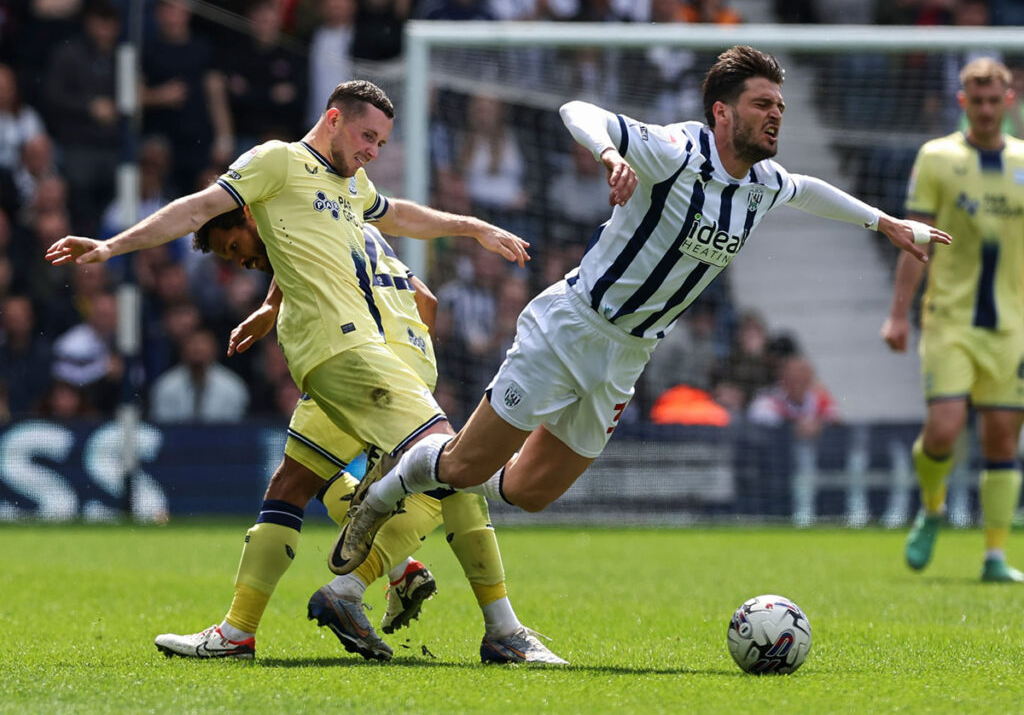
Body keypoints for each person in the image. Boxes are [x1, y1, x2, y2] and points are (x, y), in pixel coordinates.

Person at [339, 45, 952, 575]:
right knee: (470, 464)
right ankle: (382, 493)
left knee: (529, 492)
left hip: (629, 355)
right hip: (571, 325)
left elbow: (808, 189)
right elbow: (576, 110)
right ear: (723, 111)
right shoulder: (675, 150)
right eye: (763, 104)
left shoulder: (762, 181)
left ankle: (442, 474)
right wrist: (611, 155)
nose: (775, 117)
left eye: (781, 108)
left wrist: (882, 222)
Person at [45, 80, 558, 662]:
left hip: (338, 355)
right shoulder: (277, 161)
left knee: (290, 486)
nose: (373, 151)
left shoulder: (349, 184)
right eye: (368, 136)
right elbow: (198, 208)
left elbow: (397, 217)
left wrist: (471, 226)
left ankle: (236, 633)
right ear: (334, 119)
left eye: (382, 143)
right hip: (346, 352)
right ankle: (491, 624)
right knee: (455, 463)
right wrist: (112, 247)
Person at [154, 224, 562, 663]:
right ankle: (413, 581)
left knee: (443, 477)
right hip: (398, 363)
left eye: (235, 246)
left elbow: (274, 234)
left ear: (253, 218)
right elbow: (427, 300)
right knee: (355, 480)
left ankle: (274, 618)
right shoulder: (356, 226)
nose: (242, 261)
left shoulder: (297, 214)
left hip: (361, 367)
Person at [881, 57, 1024, 583]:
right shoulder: (937, 157)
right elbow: (913, 240)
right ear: (963, 103)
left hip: (1012, 325)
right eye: (976, 101)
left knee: (1003, 440)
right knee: (944, 429)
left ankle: (994, 557)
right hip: (950, 318)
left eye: (995, 101)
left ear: (1008, 101)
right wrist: (897, 315)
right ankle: (933, 507)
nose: (986, 111)